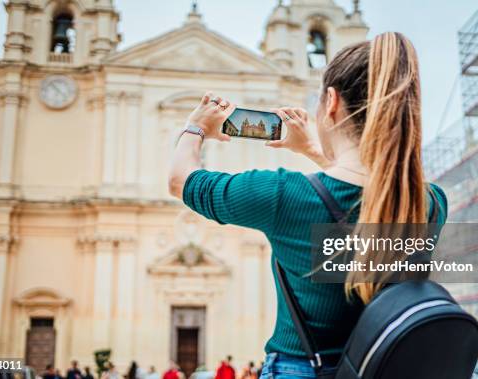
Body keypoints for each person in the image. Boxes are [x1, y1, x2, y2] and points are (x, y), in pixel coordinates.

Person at [169, 31, 448, 379]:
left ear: (331, 102)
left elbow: (181, 180)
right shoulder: (432, 202)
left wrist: (194, 127)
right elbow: (364, 195)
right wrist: (314, 151)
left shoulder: (283, 195)